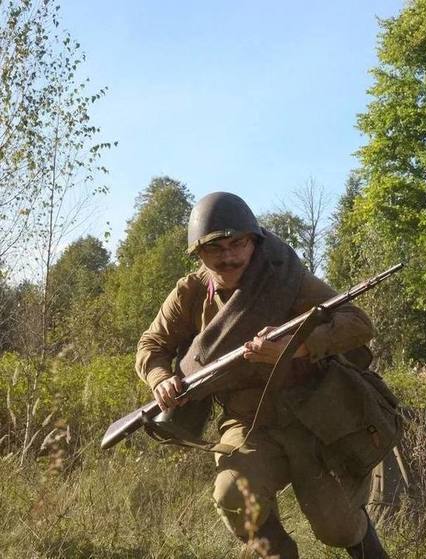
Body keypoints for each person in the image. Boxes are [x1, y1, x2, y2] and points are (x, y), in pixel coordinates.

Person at [135, 192, 391, 558]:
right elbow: (151, 344)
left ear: (253, 242)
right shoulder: (190, 294)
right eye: (215, 248)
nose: (228, 256)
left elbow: (357, 323)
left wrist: (298, 346)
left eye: (237, 243)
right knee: (232, 495)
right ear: (198, 254)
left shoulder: (286, 281)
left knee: (337, 527)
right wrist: (160, 378)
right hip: (247, 419)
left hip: (312, 415)